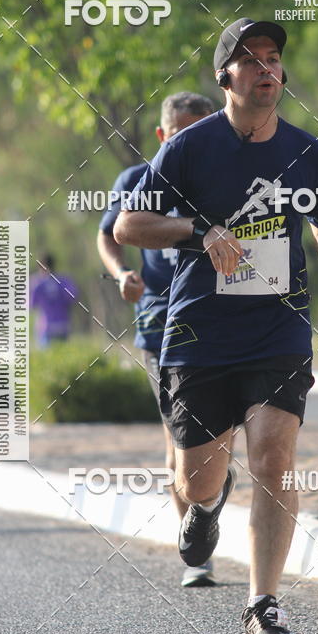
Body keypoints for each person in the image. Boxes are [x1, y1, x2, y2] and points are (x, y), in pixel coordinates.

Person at [115, 18, 318, 634]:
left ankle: (263, 606)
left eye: (273, 58)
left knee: (276, 458)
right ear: (226, 76)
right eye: (250, 60)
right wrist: (201, 232)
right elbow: (128, 226)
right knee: (200, 478)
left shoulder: (310, 152)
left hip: (278, 328)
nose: (265, 68)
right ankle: (203, 508)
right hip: (200, 332)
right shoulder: (190, 148)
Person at [97, 91, 217, 588]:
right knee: (178, 441)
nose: (191, 142)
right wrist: (121, 272)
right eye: (181, 133)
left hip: (221, 317)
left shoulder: (226, 179)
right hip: (160, 324)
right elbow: (109, 234)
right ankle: (198, 553)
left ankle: (212, 484)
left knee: (220, 439)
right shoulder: (136, 183)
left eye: (200, 132)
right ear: (163, 137)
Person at [30, 254, 78, 347]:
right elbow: (73, 297)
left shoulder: (36, 282)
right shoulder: (63, 281)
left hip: (45, 327)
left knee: (47, 358)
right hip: (62, 325)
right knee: (62, 356)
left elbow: (31, 304)